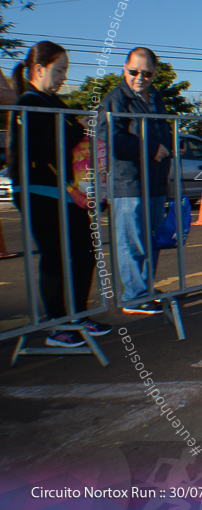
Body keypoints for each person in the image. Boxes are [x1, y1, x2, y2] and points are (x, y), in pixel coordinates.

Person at [8, 41, 111, 346]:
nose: (64, 77)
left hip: (67, 192)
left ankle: (77, 316)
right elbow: (47, 146)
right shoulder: (28, 103)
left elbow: (70, 141)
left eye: (65, 70)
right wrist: (80, 127)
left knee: (84, 253)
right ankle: (57, 326)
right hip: (39, 191)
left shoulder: (52, 101)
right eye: (60, 70)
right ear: (39, 69)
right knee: (55, 256)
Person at [98, 47, 173, 315]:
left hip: (155, 179)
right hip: (128, 180)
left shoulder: (155, 96)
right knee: (131, 240)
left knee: (151, 238)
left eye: (147, 73)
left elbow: (163, 129)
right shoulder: (115, 99)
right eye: (134, 71)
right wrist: (151, 148)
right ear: (124, 69)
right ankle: (135, 295)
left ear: (154, 74)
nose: (140, 77)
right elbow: (111, 138)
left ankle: (145, 288)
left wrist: (170, 149)